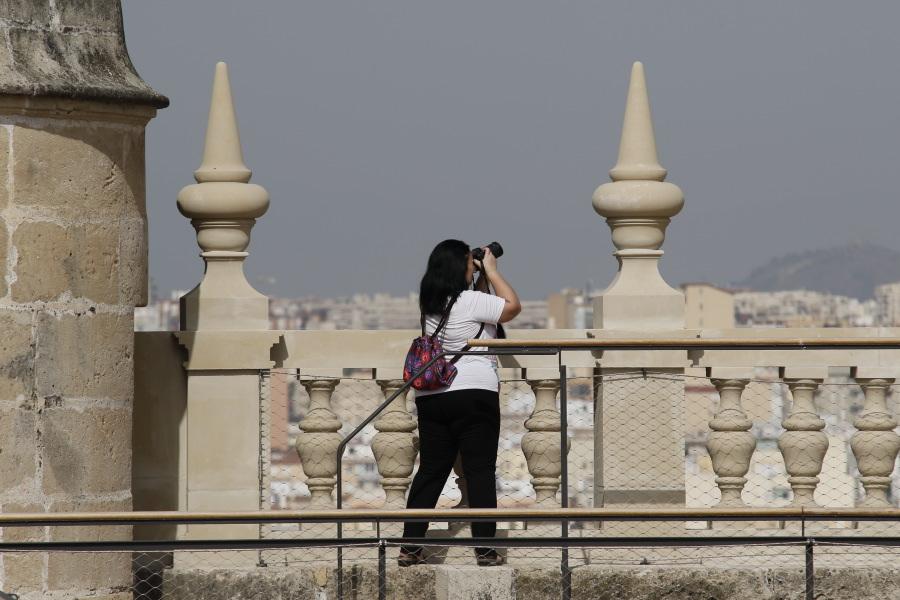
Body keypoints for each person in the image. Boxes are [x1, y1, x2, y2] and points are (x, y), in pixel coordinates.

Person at [399, 239, 521, 567]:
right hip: (473, 393)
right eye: (469, 261)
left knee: (431, 470)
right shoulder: (471, 301)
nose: (473, 265)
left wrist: (477, 272)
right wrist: (492, 270)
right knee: (479, 471)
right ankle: (485, 549)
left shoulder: (430, 304)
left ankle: (410, 545)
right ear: (460, 267)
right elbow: (511, 306)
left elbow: (475, 307)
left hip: (433, 396)